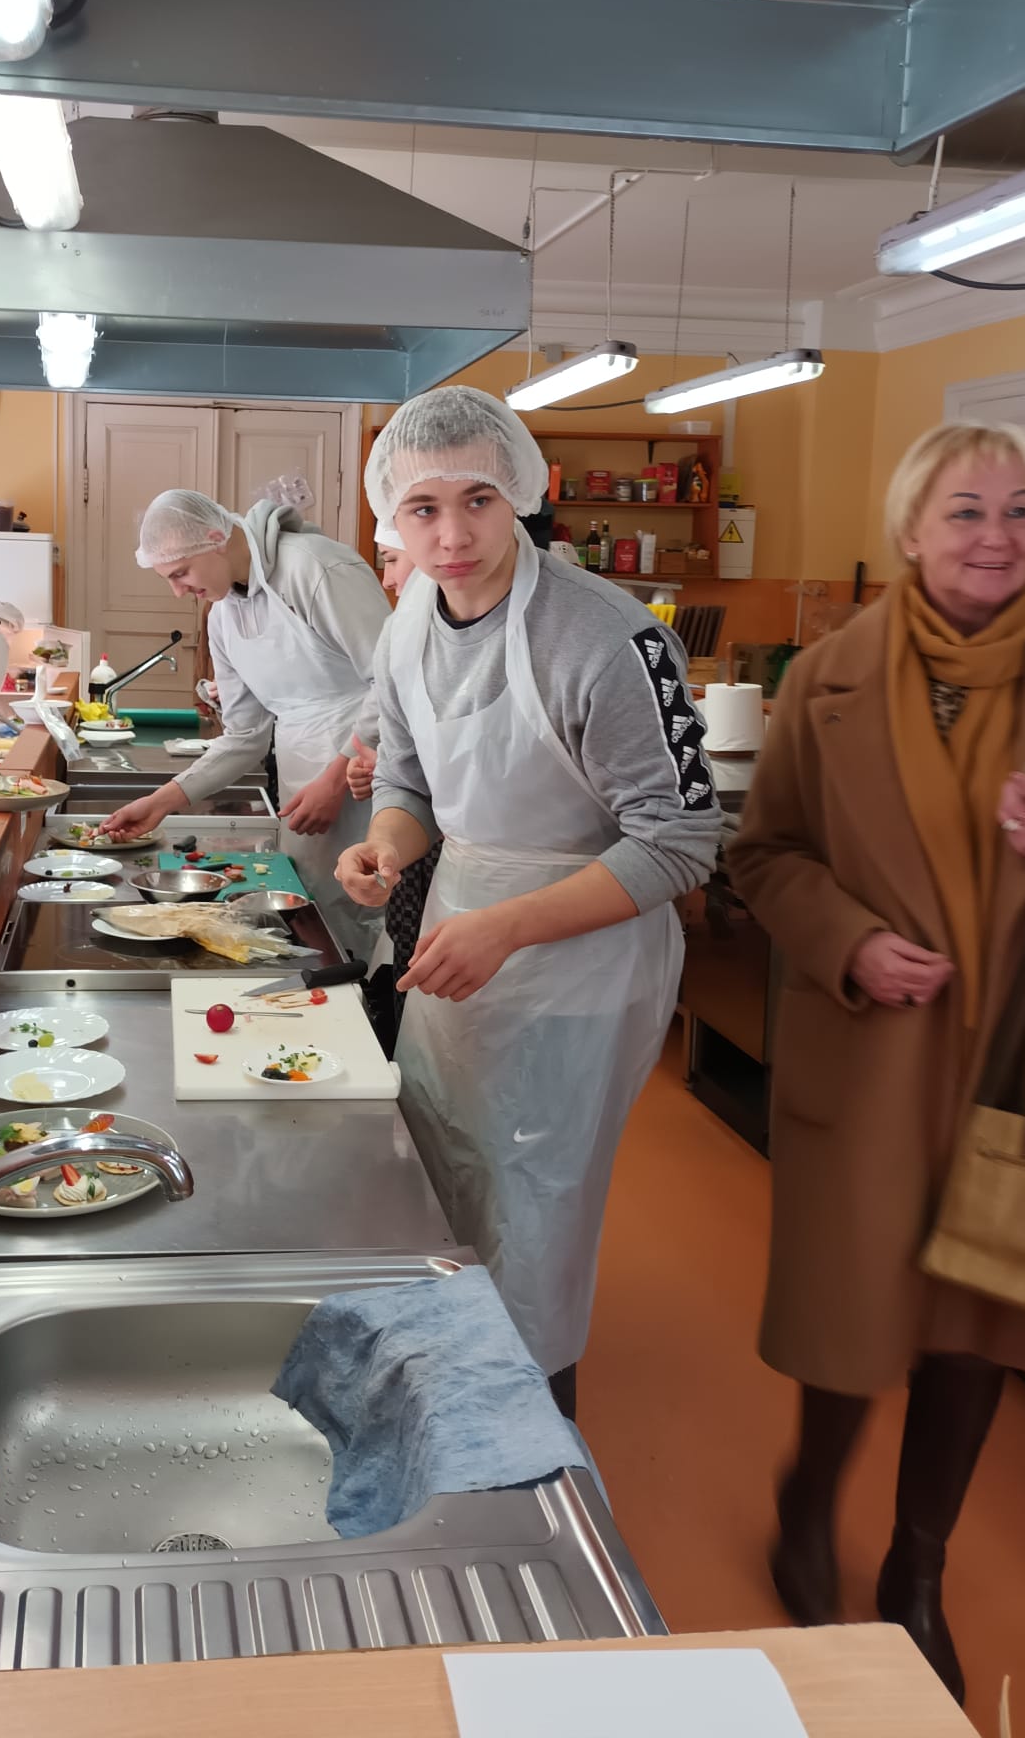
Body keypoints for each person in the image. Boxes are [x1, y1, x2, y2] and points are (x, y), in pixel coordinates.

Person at [728, 420, 1025, 1705]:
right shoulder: (829, 675)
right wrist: (852, 941)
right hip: (872, 1053)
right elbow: (765, 854)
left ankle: (918, 1564)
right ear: (912, 530)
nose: (997, 535)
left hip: (1020, 1058)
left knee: (976, 1325)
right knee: (853, 1311)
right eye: (967, 510)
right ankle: (808, 1499)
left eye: (1021, 510)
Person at [335, 387, 720, 1419]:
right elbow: (409, 783)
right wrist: (383, 849)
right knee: (444, 1177)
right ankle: (447, 1412)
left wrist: (508, 927)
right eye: (423, 510)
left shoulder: (605, 637)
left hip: (579, 963)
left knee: (536, 1220)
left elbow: (680, 840)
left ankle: (531, 1449)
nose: (452, 536)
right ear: (389, 518)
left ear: (523, 494)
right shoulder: (407, 627)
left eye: (477, 500)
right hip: (460, 937)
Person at [105, 490, 391, 962]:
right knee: (315, 906)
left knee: (368, 902)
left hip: (370, 764)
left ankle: (371, 999)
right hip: (300, 766)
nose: (178, 591)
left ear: (216, 539)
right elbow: (245, 736)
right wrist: (162, 802)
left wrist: (335, 778)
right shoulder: (222, 617)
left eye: (180, 573)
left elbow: (392, 681)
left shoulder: (314, 569)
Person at [347, 519, 440, 1036]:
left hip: (457, 862)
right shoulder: (404, 633)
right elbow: (405, 755)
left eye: (391, 559)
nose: (387, 579)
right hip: (417, 850)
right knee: (414, 969)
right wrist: (380, 769)